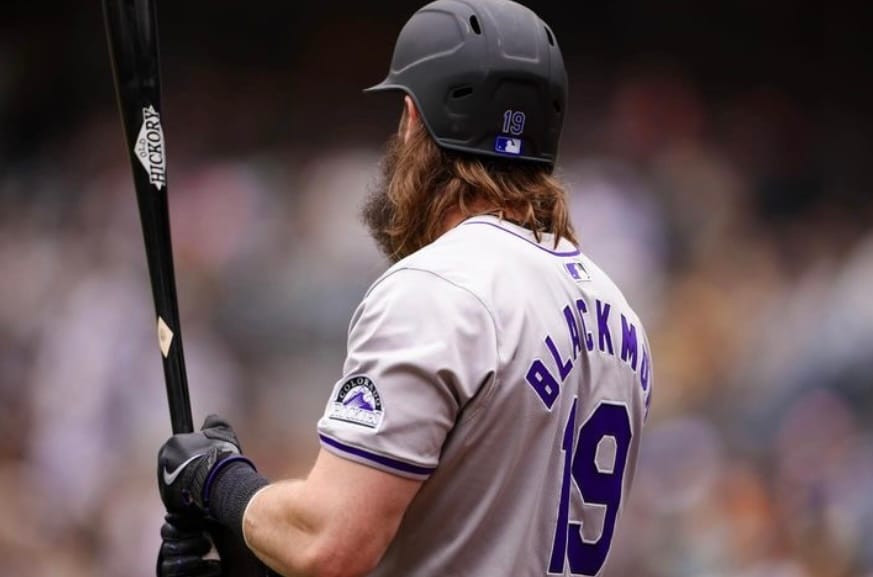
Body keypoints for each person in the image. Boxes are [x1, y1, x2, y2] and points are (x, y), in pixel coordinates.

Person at [156, 0, 654, 576]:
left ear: (415, 119)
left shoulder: (438, 286)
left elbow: (331, 543)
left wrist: (217, 480)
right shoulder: (618, 314)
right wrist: (250, 559)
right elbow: (471, 531)